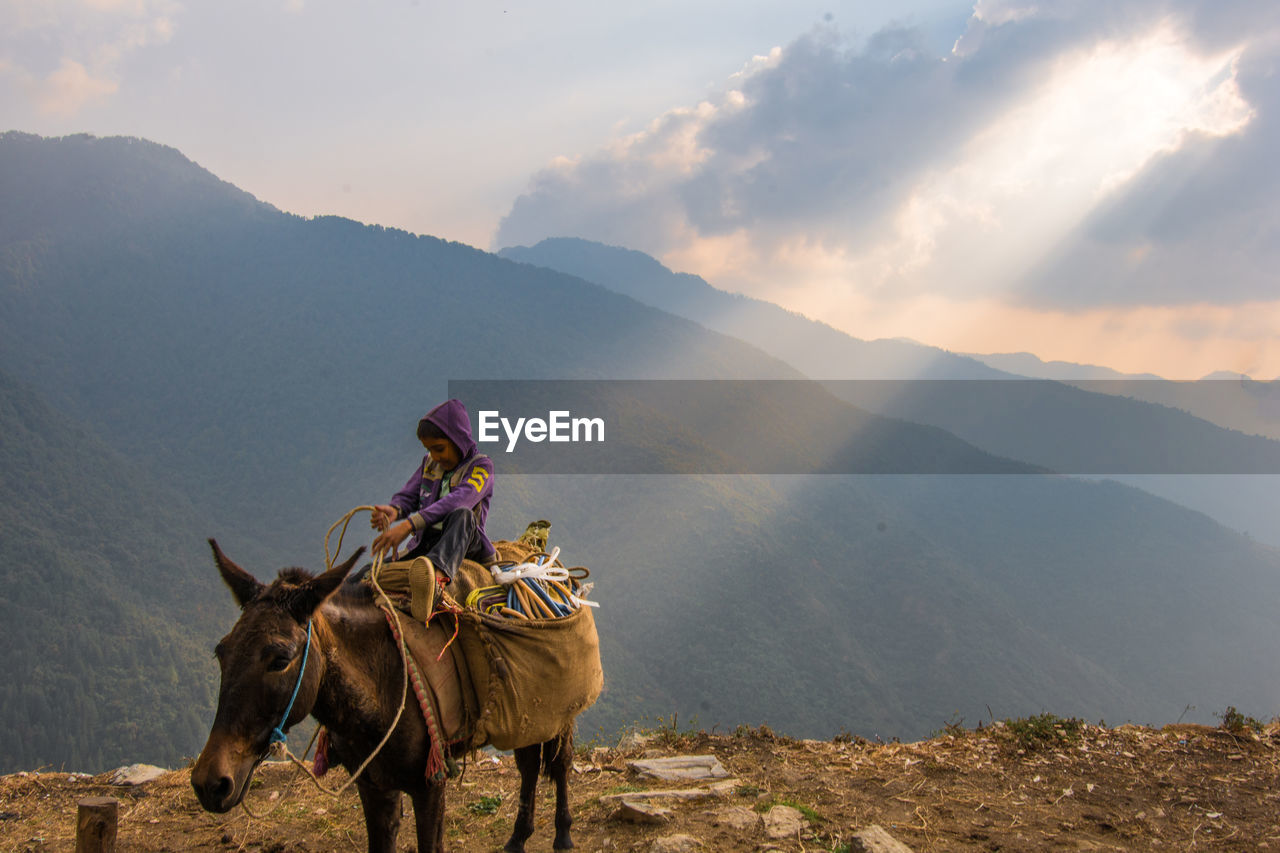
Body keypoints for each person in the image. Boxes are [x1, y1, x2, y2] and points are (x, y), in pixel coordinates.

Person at [369, 399, 496, 584]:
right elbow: (409, 495)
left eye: (439, 449)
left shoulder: (481, 467)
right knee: (364, 577)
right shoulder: (430, 463)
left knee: (463, 514)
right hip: (426, 544)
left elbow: (459, 500)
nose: (435, 456)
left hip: (467, 546)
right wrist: (395, 510)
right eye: (430, 450)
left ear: (458, 441)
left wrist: (408, 525)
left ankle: (435, 579)